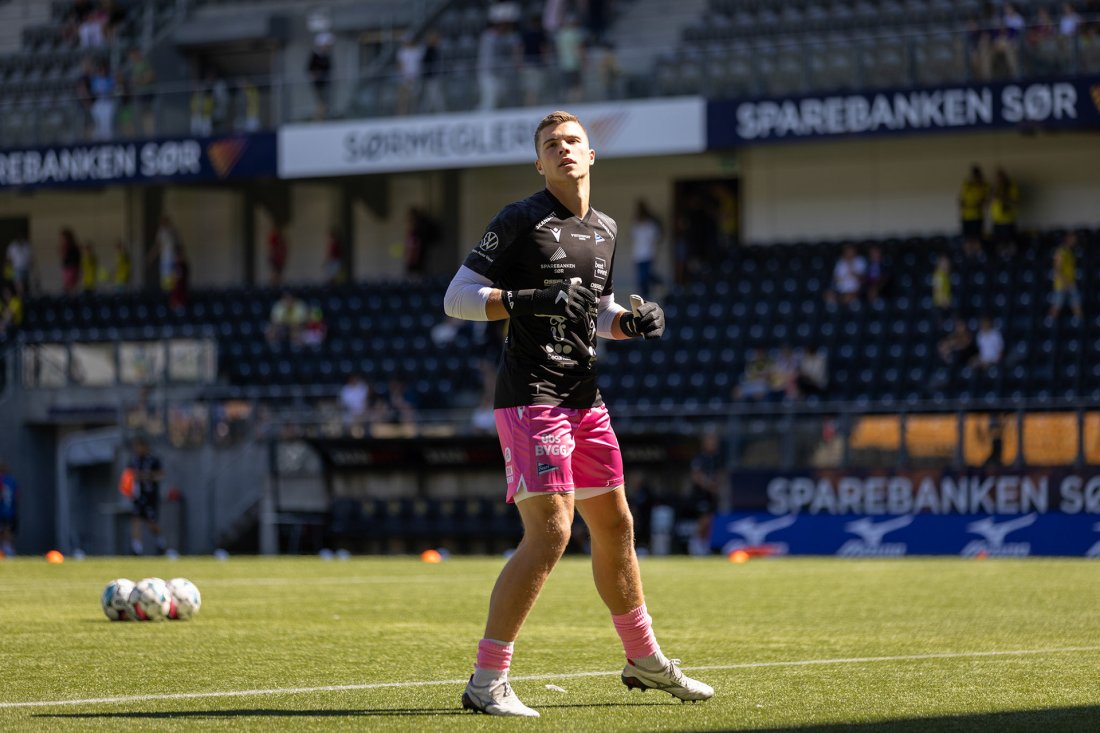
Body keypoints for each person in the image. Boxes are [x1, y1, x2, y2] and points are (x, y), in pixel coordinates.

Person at [443, 111, 713, 717]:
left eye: (572, 141)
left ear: (592, 156)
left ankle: (644, 661)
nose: (562, 150)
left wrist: (629, 322)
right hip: (530, 396)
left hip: (584, 398)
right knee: (553, 531)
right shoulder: (518, 219)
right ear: (539, 163)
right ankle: (488, 681)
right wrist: (528, 301)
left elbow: (595, 311)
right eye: (550, 145)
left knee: (615, 525)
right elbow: (456, 299)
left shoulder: (606, 230)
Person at [128, 436, 167, 556]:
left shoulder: (153, 460)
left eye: (139, 446)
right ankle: (136, 548)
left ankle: (161, 543)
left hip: (150, 496)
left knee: (151, 523)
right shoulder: (134, 460)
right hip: (138, 496)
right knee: (136, 520)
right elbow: (128, 476)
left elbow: (160, 474)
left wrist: (147, 476)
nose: (137, 449)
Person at [685, 433, 722, 556]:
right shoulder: (700, 458)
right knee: (703, 519)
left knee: (710, 519)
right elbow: (696, 476)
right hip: (700, 494)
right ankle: (695, 544)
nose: (713, 444)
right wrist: (709, 485)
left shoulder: (716, 458)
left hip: (711, 495)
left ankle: (704, 545)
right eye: (710, 441)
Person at [631, 200, 664, 300]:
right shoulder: (636, 225)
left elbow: (656, 238)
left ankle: (646, 295)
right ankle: (645, 295)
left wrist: (653, 250)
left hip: (648, 254)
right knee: (642, 278)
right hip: (637, 255)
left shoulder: (650, 226)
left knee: (644, 277)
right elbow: (632, 236)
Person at [1049, 232, 1083, 321]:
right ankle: (1049, 325)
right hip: (1061, 285)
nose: (1075, 241)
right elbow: (1057, 271)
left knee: (1076, 303)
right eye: (1073, 238)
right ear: (1067, 239)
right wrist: (1066, 283)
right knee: (1057, 306)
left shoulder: (1070, 252)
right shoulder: (1061, 252)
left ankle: (1079, 327)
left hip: (1070, 283)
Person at [989, 168, 1020, 257]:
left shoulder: (1011, 186)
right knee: (999, 243)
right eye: (997, 178)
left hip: (1008, 220)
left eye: (1001, 177)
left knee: (1010, 243)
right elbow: (989, 201)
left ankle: (1012, 259)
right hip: (997, 220)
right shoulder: (995, 188)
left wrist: (1003, 197)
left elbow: (1016, 202)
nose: (999, 180)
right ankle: (1001, 261)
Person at [395, 34, 425, 115]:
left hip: (415, 76)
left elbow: (419, 63)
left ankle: (413, 113)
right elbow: (400, 65)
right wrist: (405, 76)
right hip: (405, 77)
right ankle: (402, 114)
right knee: (403, 97)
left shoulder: (417, 51)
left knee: (414, 97)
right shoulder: (402, 52)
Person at [958, 165, 988, 244]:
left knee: (977, 238)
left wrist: (971, 206)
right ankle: (968, 255)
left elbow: (983, 202)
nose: (975, 177)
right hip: (966, 216)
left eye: (977, 175)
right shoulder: (966, 185)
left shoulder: (983, 186)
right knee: (967, 238)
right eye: (973, 175)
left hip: (977, 216)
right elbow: (961, 200)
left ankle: (977, 255)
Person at [308, 32, 334, 119]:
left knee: (325, 102)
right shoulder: (315, 56)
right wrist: (317, 74)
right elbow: (310, 69)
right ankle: (319, 118)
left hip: (326, 83)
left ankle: (323, 117)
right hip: (319, 84)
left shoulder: (326, 56)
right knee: (322, 102)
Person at [0, 459, 16, 556]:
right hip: (11, 510)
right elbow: (17, 496)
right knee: (8, 530)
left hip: (3, 510)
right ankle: (8, 549)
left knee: (4, 530)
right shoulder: (11, 480)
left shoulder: (2, 480)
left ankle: (6, 550)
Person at [59, 228, 81, 294]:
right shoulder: (71, 246)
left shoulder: (72, 246)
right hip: (68, 267)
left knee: (70, 286)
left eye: (62, 238)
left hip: (71, 268)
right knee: (67, 286)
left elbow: (64, 255)